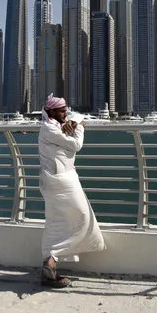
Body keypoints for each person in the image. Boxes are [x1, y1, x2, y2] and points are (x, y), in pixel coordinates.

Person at [38, 93, 105, 288]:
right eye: (61, 110)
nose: (65, 112)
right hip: (61, 181)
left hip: (53, 181)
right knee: (82, 216)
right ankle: (51, 261)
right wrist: (80, 127)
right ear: (51, 112)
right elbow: (76, 145)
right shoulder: (50, 129)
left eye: (65, 108)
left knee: (55, 222)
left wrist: (74, 122)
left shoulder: (58, 124)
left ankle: (49, 266)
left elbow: (78, 114)